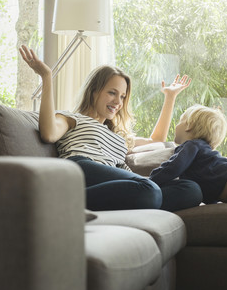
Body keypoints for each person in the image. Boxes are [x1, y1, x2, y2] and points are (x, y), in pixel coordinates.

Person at [19, 45, 203, 211]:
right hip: (81, 167)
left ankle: (139, 200)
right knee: (150, 190)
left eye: (122, 97)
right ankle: (61, 202)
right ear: (94, 92)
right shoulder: (71, 118)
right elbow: (49, 133)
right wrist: (46, 77)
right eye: (112, 93)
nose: (118, 102)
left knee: (191, 189)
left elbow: (156, 140)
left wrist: (170, 97)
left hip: (108, 181)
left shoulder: (117, 135)